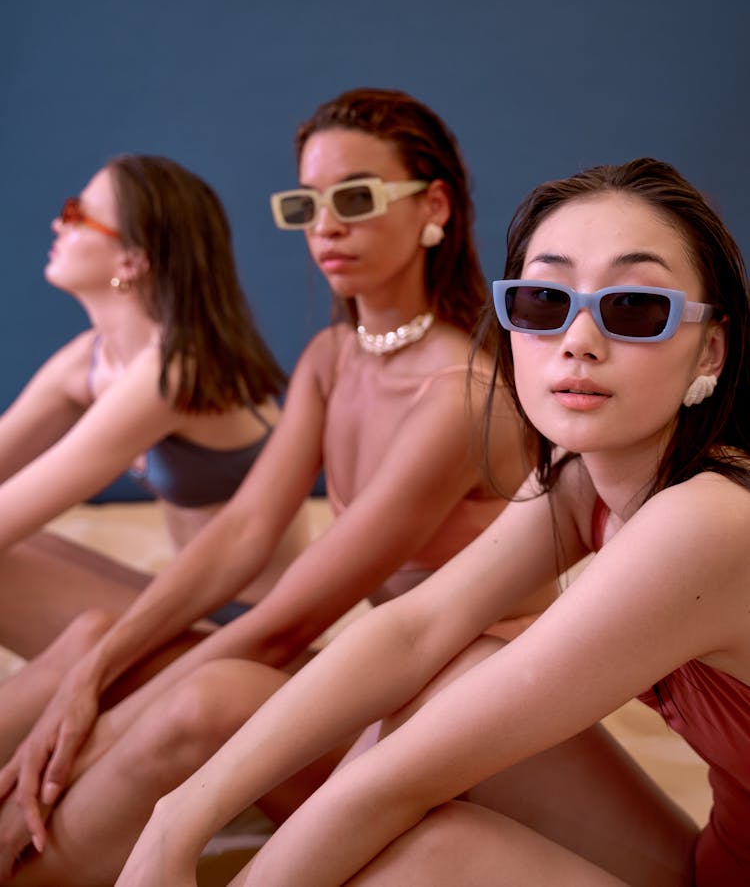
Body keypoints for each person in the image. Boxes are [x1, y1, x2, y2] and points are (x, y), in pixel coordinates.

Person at [117, 157, 749, 887]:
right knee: (458, 667)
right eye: (544, 300)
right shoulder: (585, 481)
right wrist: (180, 815)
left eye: (634, 308)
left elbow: (393, 782)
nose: (577, 339)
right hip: (718, 859)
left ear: (709, 349)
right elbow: (414, 630)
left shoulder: (707, 522)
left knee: (420, 850)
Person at [0, 89, 543, 884]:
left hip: (477, 724)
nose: (326, 226)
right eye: (307, 204)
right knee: (96, 647)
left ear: (434, 206)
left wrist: (97, 719)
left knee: (199, 701)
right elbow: (245, 531)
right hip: (388, 684)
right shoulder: (331, 357)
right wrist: (91, 674)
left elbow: (286, 625)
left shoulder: (460, 397)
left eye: (355, 198)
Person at [0, 153, 295, 702]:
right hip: (182, 599)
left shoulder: (174, 371)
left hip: (247, 625)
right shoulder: (91, 360)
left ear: (133, 260)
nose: (57, 224)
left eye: (75, 213)